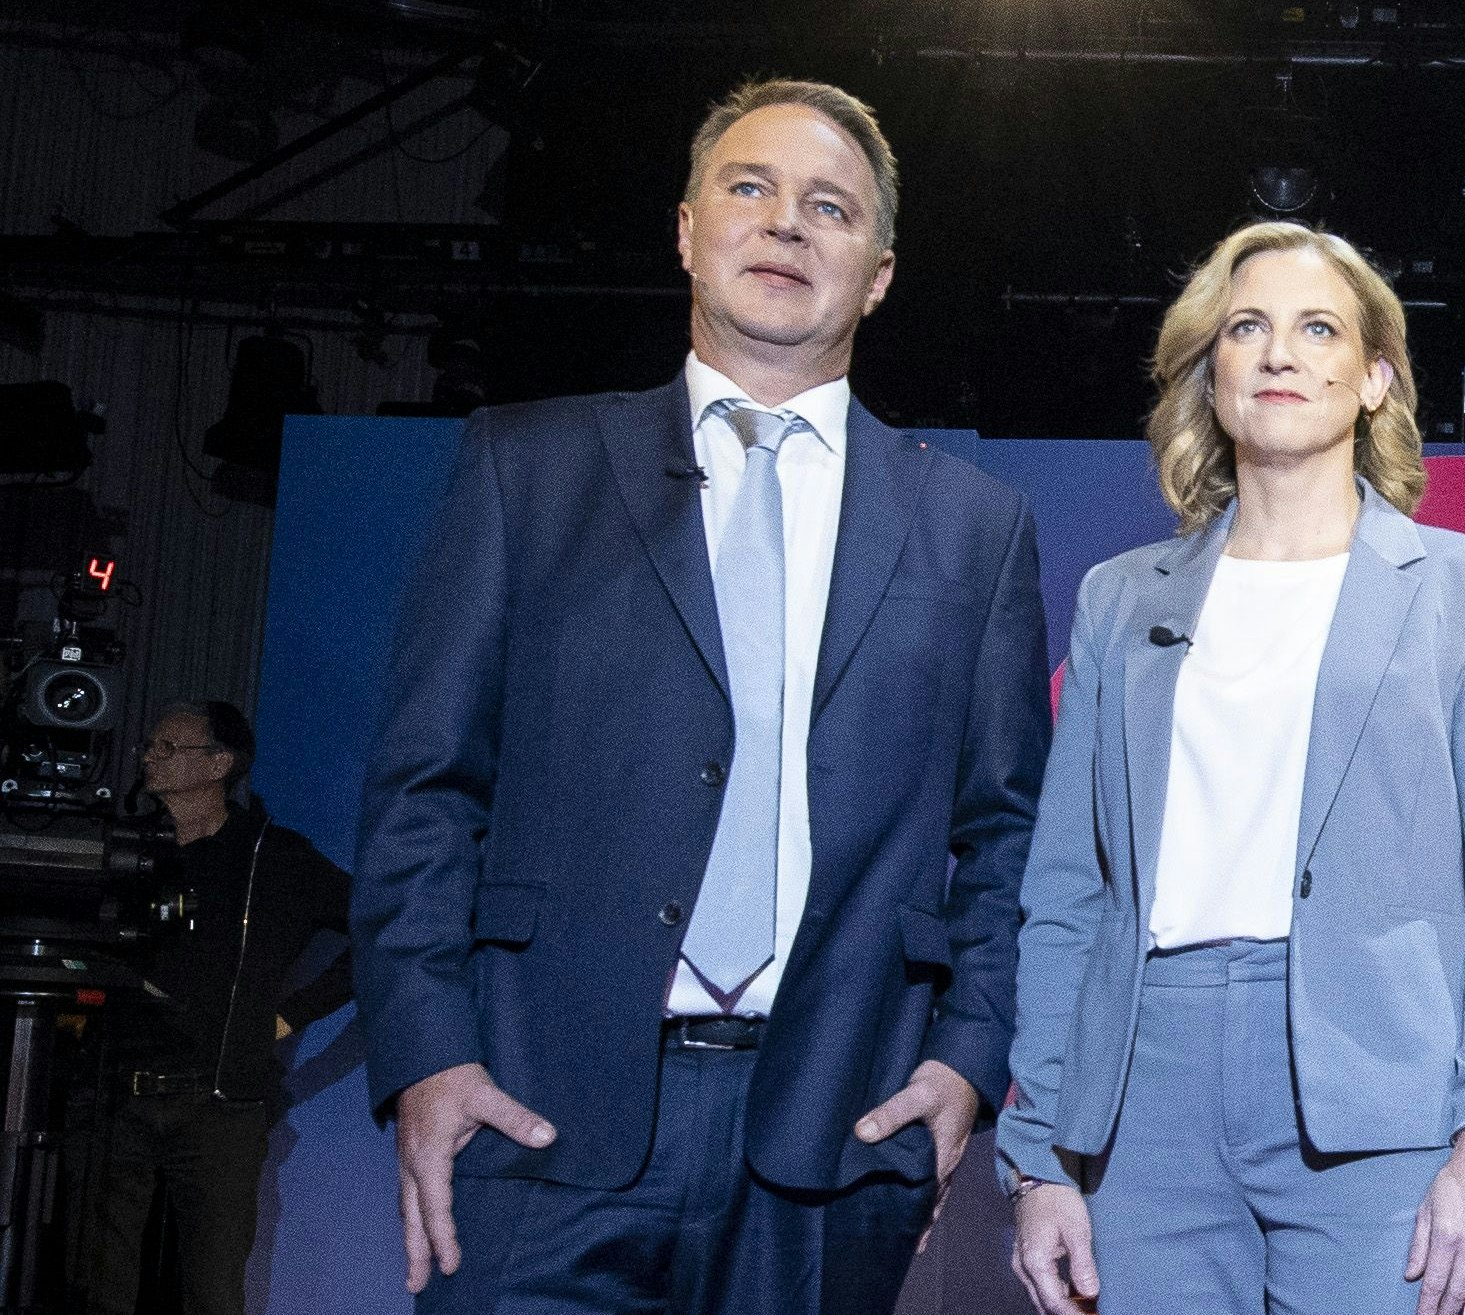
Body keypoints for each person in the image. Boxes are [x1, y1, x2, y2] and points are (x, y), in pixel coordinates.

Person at [351, 79, 1049, 1314]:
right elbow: (424, 787)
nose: (786, 223)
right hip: (534, 1115)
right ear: (685, 230)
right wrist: (426, 1054)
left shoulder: (974, 528)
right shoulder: (526, 467)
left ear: (878, 272)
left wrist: (968, 1065)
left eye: (829, 207)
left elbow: (1007, 837)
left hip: (834, 1137)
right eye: (751, 188)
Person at [998, 221, 1465, 1315]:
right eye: (1248, 328)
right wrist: (1036, 1158)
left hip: (1383, 1099)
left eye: (1318, 328)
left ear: (1372, 378)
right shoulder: (1121, 601)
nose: (1279, 353)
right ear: (1208, 376)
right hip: (1143, 1096)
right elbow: (1067, 898)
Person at [70, 701, 351, 1315]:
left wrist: (292, 1014)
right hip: (113, 1091)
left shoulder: (270, 857)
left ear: (219, 764)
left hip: (219, 1104)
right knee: (99, 1284)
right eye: (151, 746)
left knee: (213, 1289)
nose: (149, 757)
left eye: (169, 748)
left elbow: (375, 928)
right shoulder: (125, 847)